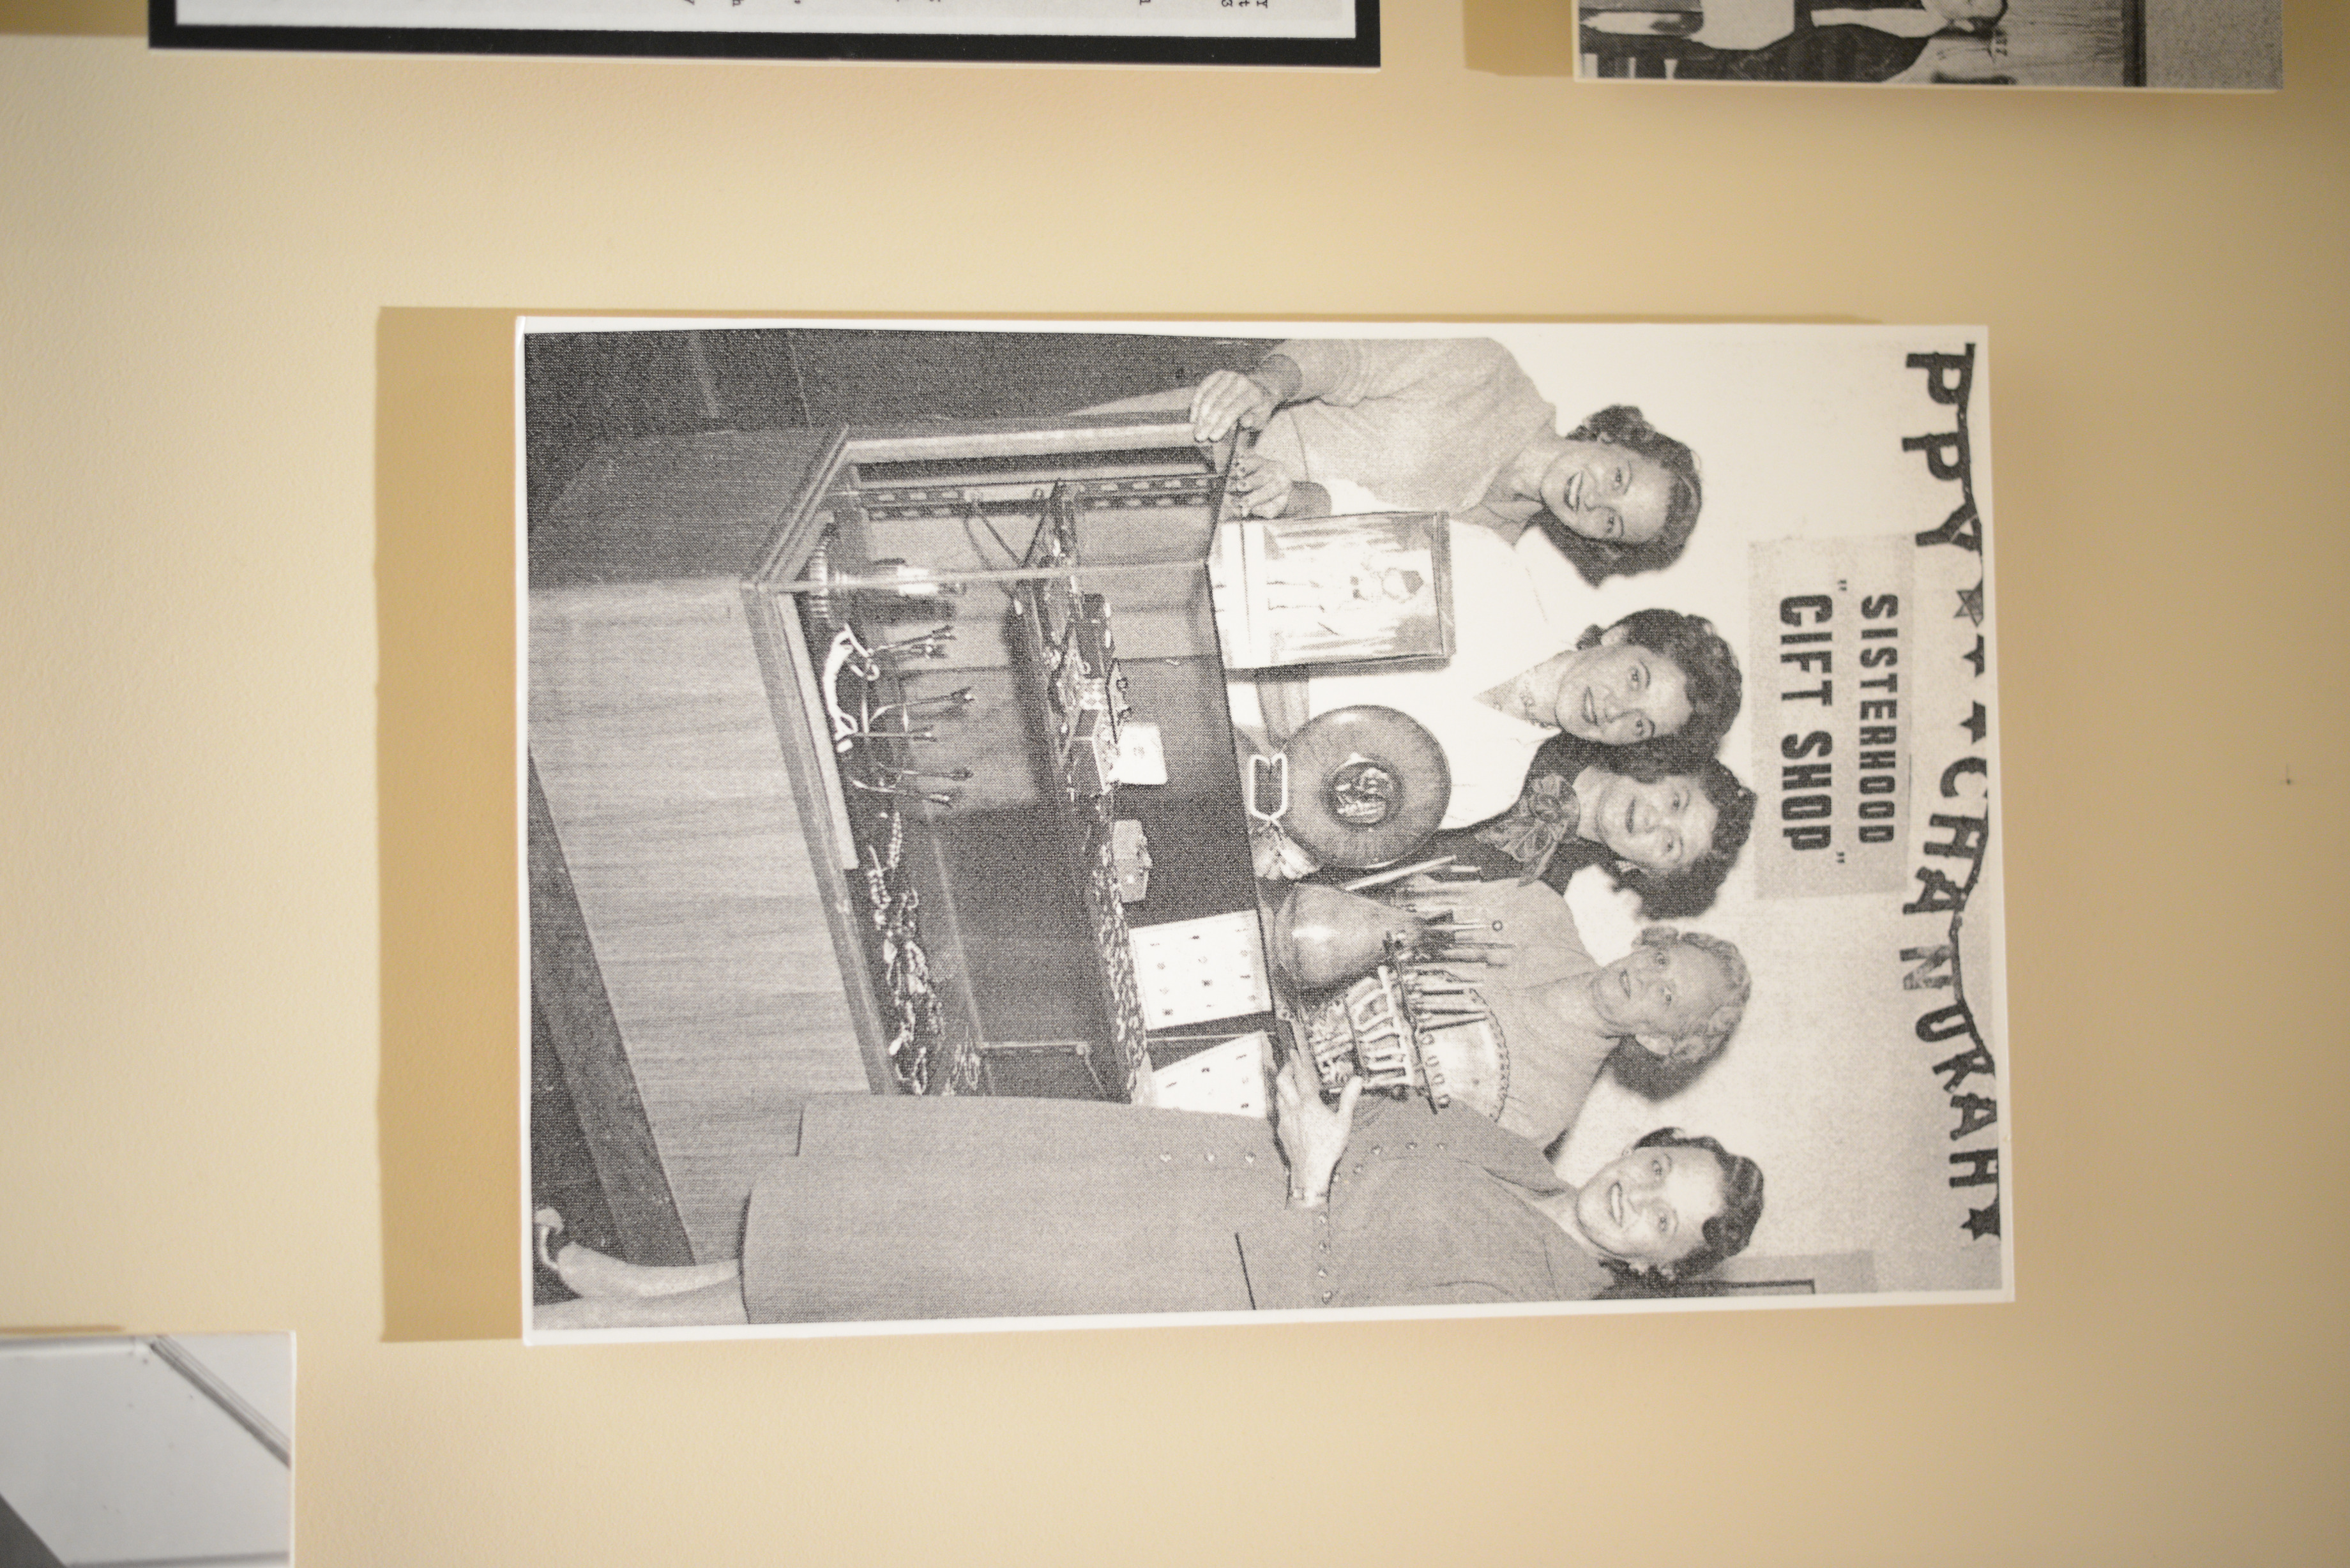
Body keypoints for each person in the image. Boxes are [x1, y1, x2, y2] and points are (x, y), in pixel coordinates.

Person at [531, 1057, 1766, 1329]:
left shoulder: (1530, 1315)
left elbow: (1327, 1355)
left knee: (895, 1273)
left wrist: (1321, 1168)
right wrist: (1328, 1110)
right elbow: (1379, 1119)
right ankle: (642, 1278)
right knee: (890, 1215)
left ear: (1660, 1266)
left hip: (1174, 1280)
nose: (1641, 1195)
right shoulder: (1526, 1156)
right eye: (1660, 1167)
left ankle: (587, 1326)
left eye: (1668, 1220)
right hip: (1170, 1174)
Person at [1254, 525, 1742, 842]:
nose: (1617, 711)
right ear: (1619, 635)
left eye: (1640, 726)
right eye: (1636, 679)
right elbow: (1319, 537)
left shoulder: (1490, 789)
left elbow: (1315, 814)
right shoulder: (1494, 571)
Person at [1184, 338, 1704, 585]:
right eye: (1619, 478)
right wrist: (1266, 386)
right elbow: (1346, 359)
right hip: (1211, 436)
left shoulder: (1488, 555)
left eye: (1610, 522)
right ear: (1613, 438)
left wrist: (1291, 504)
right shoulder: (1487, 371)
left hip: (1218, 557)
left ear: (1597, 541)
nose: (1594, 499)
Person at [1386, 877, 1752, 1149]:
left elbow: (1398, 1146)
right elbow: (1393, 891)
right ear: (1648, 943)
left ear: (1655, 1040)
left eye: (1666, 996)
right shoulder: (1539, 909)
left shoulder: (1541, 1111)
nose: (1646, 978)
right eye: (1661, 960)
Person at [1434, 732, 1757, 919]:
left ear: (1645, 871)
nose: (1654, 821)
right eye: (1675, 802)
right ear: (1665, 767)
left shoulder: (1534, 899)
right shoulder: (1547, 725)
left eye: (1670, 845)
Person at [1672, 0, 2008, 82]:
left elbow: (1851, 17)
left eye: (1969, 1)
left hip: (1795, 18)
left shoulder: (1916, 27)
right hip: (1793, 10)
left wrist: (1811, 20)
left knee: (1706, 22)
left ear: (1963, 22)